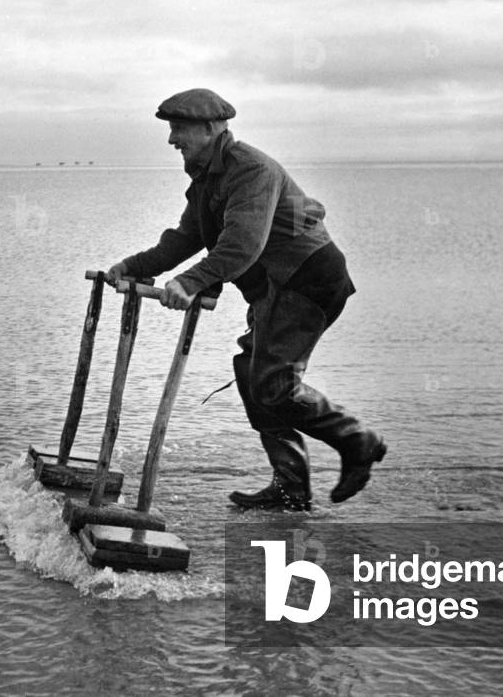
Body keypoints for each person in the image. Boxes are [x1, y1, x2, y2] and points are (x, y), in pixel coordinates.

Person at [107, 88, 385, 511]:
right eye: (170, 129)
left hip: (307, 279)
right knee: (252, 375)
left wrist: (191, 282)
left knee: (272, 384)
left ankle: (357, 440)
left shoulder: (251, 169)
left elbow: (242, 244)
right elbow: (188, 237)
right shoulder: (206, 177)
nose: (171, 140)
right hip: (276, 286)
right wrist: (134, 265)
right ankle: (291, 487)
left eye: (179, 129)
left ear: (210, 128)